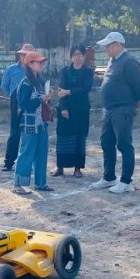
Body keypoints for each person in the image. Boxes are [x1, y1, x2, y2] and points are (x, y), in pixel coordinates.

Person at [89, 32, 140, 194]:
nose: (106, 49)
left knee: (124, 144)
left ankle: (126, 181)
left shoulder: (129, 62)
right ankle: (109, 177)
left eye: (108, 46)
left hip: (123, 108)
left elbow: (139, 86)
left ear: (118, 45)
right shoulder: (113, 60)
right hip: (109, 109)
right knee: (106, 142)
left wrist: (138, 102)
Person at [12, 51, 53, 195]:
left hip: (41, 123)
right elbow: (24, 104)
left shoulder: (40, 81)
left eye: (41, 62)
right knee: (26, 152)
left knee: (41, 153)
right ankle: (17, 184)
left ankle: (41, 183)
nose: (41, 64)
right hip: (29, 124)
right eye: (38, 62)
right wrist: (40, 99)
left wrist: (47, 98)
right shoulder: (25, 83)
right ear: (30, 64)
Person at [53, 44, 94, 178]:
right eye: (75, 55)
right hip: (66, 110)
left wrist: (69, 92)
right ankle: (60, 167)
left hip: (81, 110)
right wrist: (64, 108)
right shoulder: (65, 71)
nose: (77, 57)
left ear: (84, 56)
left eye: (80, 54)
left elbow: (86, 88)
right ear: (71, 56)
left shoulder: (88, 71)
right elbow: (61, 91)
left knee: (79, 138)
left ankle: (77, 168)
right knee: (63, 138)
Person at [0, 43, 34, 171]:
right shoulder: (11, 70)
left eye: (27, 55)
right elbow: (4, 85)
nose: (24, 57)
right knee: (15, 132)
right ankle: (8, 162)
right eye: (22, 54)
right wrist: (13, 97)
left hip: (31, 103)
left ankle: (28, 162)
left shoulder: (34, 70)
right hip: (15, 103)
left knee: (30, 133)